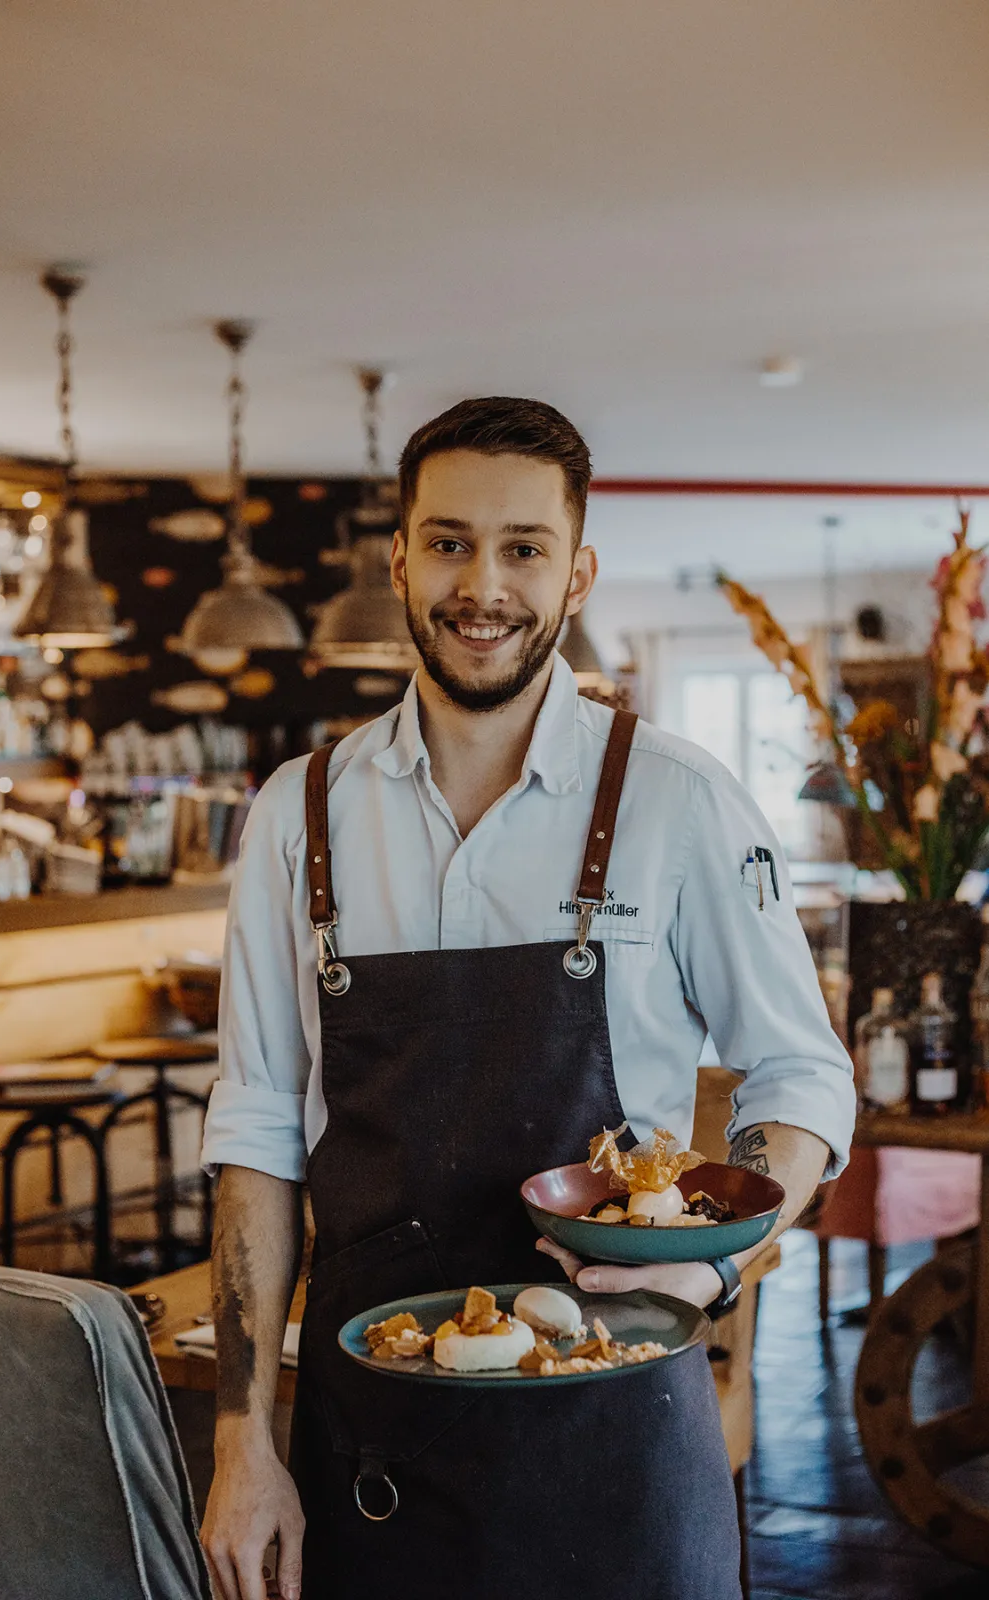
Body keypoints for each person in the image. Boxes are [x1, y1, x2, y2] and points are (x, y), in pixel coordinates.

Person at [199, 396, 855, 1600]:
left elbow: (799, 1071)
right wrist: (242, 1439)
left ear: (576, 571)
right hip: (370, 1438)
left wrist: (708, 1266)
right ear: (396, 556)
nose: (481, 585)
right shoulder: (296, 817)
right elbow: (253, 1137)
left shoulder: (677, 801)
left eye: (522, 548)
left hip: (615, 1422)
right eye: (447, 542)